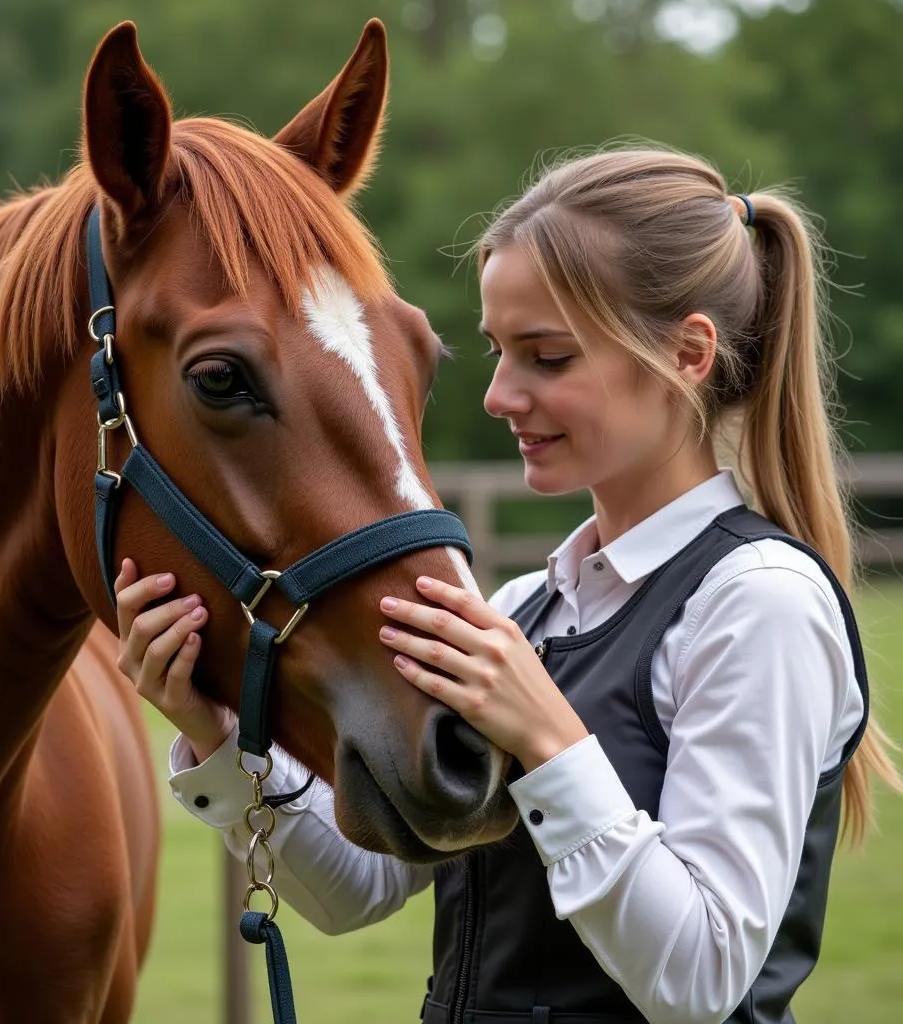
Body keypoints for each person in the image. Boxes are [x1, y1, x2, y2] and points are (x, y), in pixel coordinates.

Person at [112, 146, 900, 1023]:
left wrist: (550, 741)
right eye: (495, 351)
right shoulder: (522, 607)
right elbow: (356, 892)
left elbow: (704, 977)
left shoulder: (759, 603)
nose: (496, 394)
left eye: (547, 357)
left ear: (687, 354)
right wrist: (212, 732)